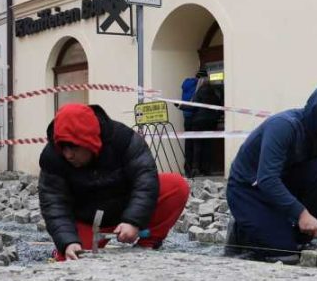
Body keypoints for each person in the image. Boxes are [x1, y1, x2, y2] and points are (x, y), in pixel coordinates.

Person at [39, 103, 190, 261]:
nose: (68, 155)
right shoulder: (52, 158)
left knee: (176, 186)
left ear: (89, 141)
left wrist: (133, 220)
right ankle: (62, 251)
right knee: (71, 259)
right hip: (87, 219)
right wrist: (68, 242)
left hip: (126, 206)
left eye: (73, 148)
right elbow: (54, 204)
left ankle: (149, 243)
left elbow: (145, 179)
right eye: (63, 148)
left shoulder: (123, 139)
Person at [225, 83, 317, 259]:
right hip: (248, 190)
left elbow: (313, 178)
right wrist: (302, 214)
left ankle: (292, 233)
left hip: (280, 184)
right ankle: (242, 231)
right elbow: (267, 179)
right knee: (285, 253)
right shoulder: (284, 126)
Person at [186, 74, 223, 177]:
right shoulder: (215, 93)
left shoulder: (198, 93)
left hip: (198, 122)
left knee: (197, 146)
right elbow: (220, 107)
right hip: (211, 123)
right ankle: (207, 170)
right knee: (208, 146)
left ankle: (195, 169)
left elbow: (193, 107)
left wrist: (181, 107)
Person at [179, 70, 202, 175]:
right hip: (195, 116)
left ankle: (187, 168)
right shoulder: (198, 85)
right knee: (197, 143)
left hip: (186, 116)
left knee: (188, 143)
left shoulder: (186, 85)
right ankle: (195, 168)